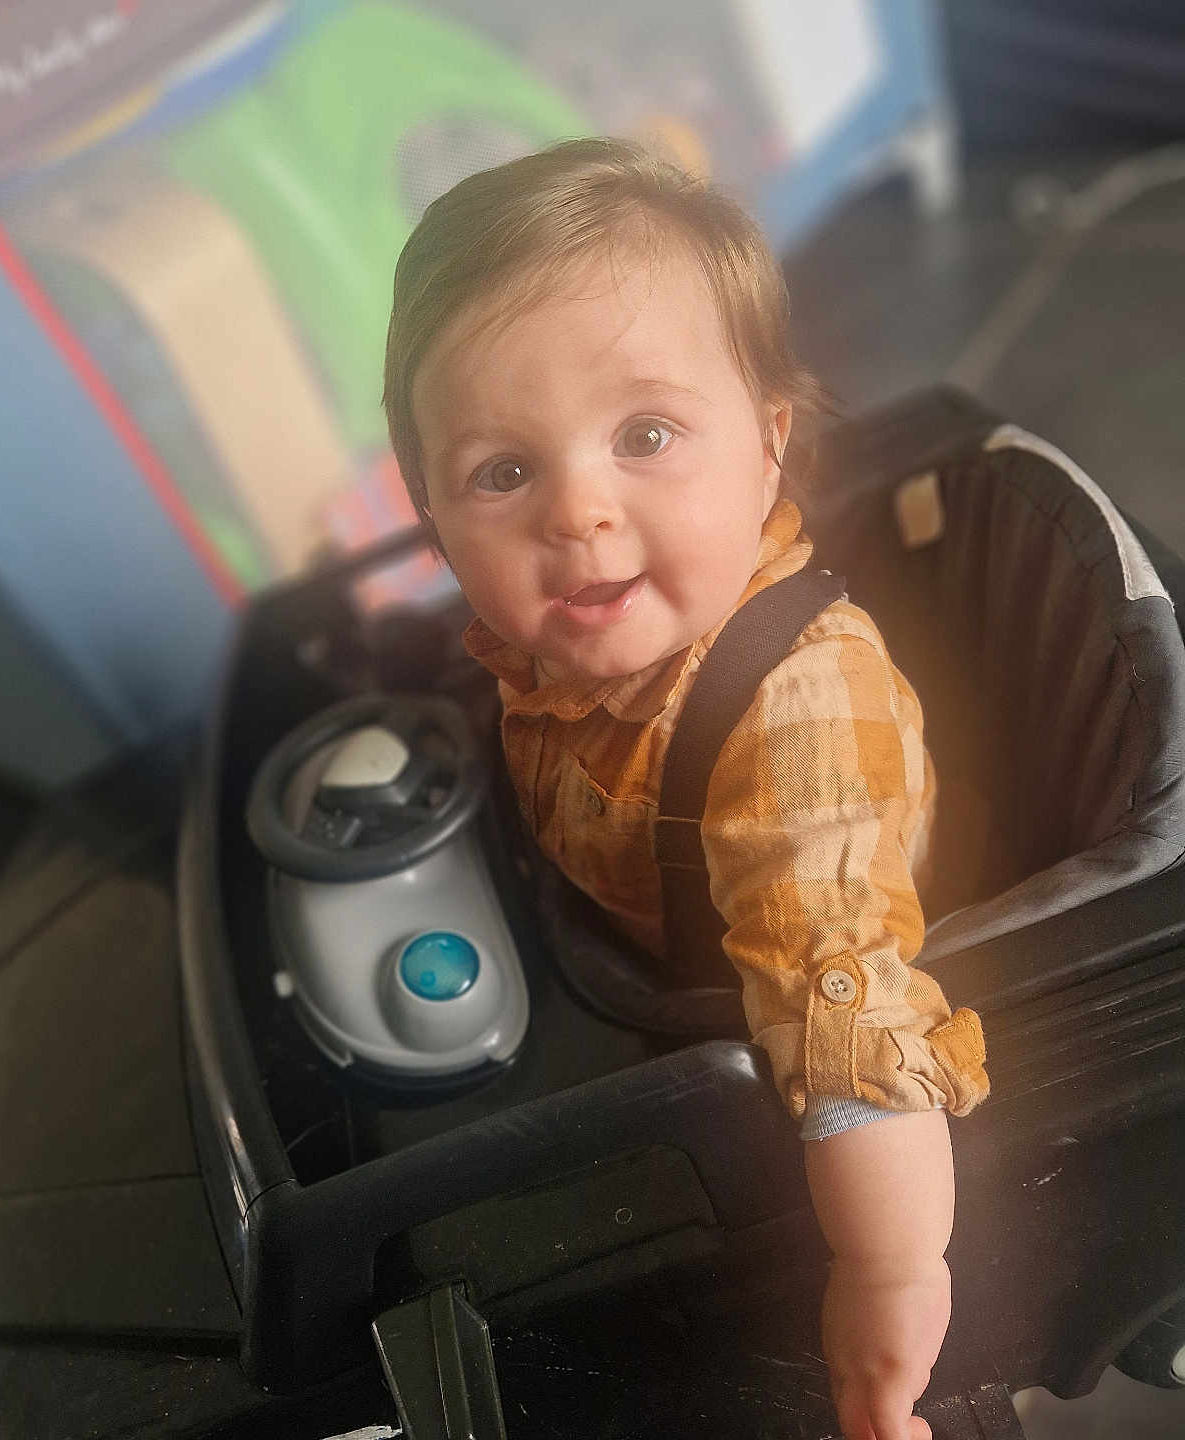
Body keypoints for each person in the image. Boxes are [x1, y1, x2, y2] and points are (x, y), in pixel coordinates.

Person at [382, 138, 990, 1440]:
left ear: (771, 445)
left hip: (781, 1031)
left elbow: (849, 1024)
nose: (578, 512)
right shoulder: (573, 628)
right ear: (433, 512)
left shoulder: (801, 720)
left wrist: (890, 1279)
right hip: (609, 945)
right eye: (503, 471)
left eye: (645, 434)